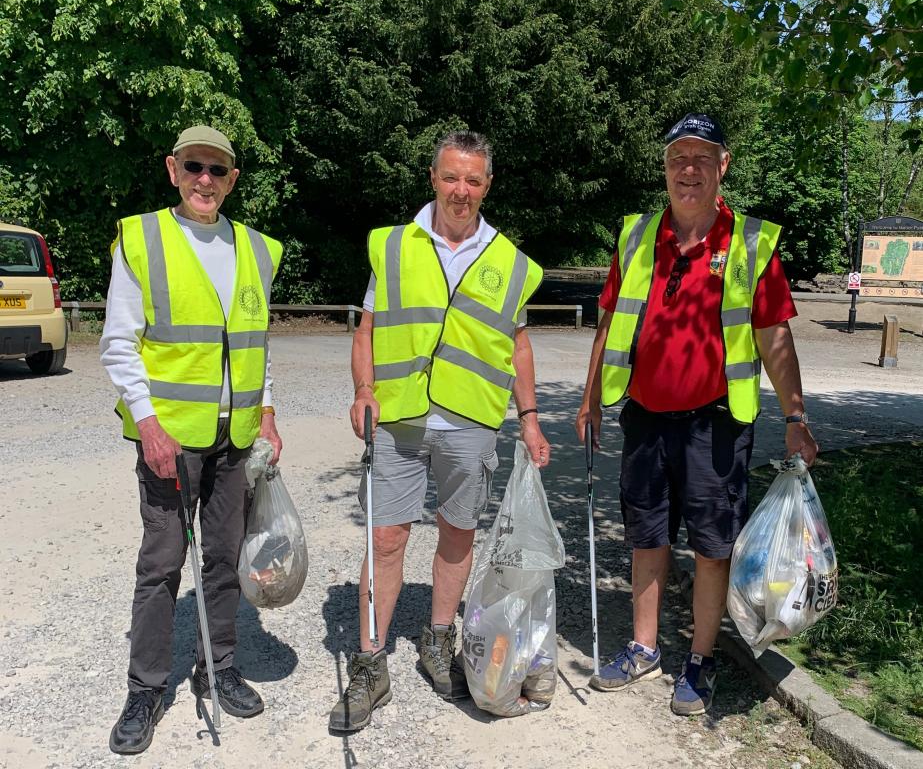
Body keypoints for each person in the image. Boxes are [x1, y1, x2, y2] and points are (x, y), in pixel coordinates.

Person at [575, 113, 818, 716]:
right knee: (647, 536)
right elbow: (609, 320)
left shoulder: (750, 243)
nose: (689, 169)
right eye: (678, 158)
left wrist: (795, 414)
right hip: (644, 417)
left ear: (723, 167)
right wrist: (588, 398)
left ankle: (702, 659)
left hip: (716, 424)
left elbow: (774, 335)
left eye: (702, 159)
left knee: (712, 546)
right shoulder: (637, 237)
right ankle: (644, 645)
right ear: (664, 168)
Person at [329, 130, 551, 732]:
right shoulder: (394, 246)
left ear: (486, 185)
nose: (461, 190)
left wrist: (529, 419)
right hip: (398, 414)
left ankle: (437, 639)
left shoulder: (509, 261)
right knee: (387, 539)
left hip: (470, 419)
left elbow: (519, 346)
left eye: (473, 180)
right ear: (433, 177)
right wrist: (364, 391)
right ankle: (371, 664)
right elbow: (367, 329)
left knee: (458, 533)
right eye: (451, 177)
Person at [101, 125, 283, 754]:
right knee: (161, 564)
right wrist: (148, 424)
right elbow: (118, 343)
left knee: (226, 557)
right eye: (195, 167)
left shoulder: (256, 249)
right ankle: (146, 686)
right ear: (173, 170)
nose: (206, 180)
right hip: (169, 440)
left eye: (218, 170)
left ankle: (219, 666)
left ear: (232, 179)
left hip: (234, 438)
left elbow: (255, 345)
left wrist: (268, 411)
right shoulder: (143, 238)